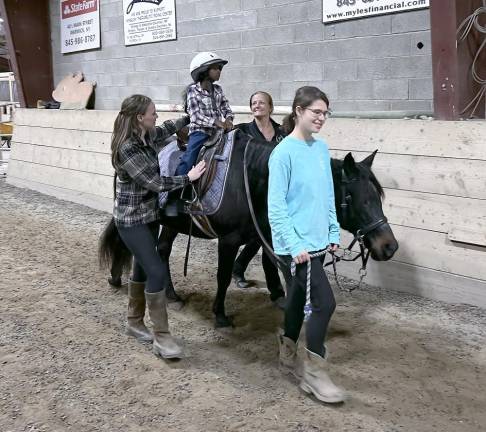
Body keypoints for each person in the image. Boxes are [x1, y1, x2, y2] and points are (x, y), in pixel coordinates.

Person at [268, 86, 347, 403]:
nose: (322, 118)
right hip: (296, 249)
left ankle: (287, 353)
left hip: (317, 243)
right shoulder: (282, 154)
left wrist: (332, 231)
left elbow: (327, 194)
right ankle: (314, 374)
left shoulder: (321, 148)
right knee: (325, 304)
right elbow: (276, 208)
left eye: (326, 113)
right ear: (298, 111)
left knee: (299, 299)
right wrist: (294, 244)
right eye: (317, 112)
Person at [111, 94, 205, 359]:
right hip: (132, 221)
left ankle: (134, 322)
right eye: (153, 112)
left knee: (142, 268)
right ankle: (162, 339)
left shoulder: (147, 135)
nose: (156, 116)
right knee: (156, 271)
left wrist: (191, 116)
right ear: (140, 117)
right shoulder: (128, 148)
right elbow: (155, 183)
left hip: (150, 217)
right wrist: (188, 177)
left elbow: (166, 128)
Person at [232, 91, 285, 289]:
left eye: (261, 102)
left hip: (275, 195)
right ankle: (276, 291)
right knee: (265, 240)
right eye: (253, 103)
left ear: (270, 107)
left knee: (262, 239)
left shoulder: (282, 132)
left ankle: (238, 267)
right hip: (250, 195)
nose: (257, 105)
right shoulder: (243, 131)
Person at [174, 51, 234, 176]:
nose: (219, 71)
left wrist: (228, 119)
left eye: (220, 68)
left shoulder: (218, 89)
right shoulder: (193, 90)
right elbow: (195, 116)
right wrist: (217, 122)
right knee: (190, 157)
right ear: (204, 70)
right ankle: (176, 189)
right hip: (200, 132)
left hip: (218, 131)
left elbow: (225, 107)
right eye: (216, 68)